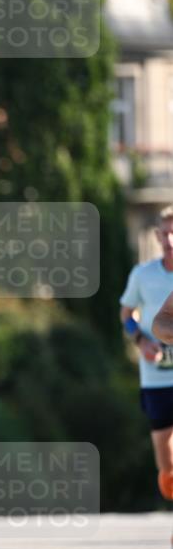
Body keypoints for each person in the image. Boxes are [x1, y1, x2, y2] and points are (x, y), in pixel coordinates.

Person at [120, 205, 173, 503]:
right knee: (167, 462)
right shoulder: (143, 275)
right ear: (157, 236)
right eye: (166, 234)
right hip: (155, 376)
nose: (171, 240)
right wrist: (141, 341)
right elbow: (126, 315)